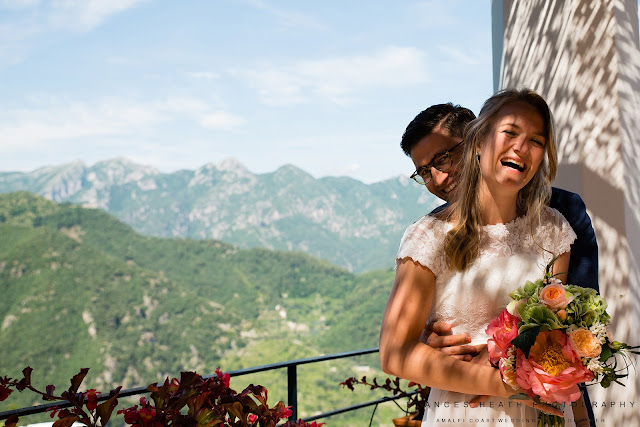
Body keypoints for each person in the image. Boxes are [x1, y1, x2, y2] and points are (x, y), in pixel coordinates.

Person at [379, 89, 590, 426]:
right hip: (464, 413)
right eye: (424, 171)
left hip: (541, 411)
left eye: (443, 158)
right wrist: (499, 381)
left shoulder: (555, 227)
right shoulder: (429, 236)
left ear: (473, 140)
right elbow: (394, 352)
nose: (437, 178)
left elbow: (565, 334)